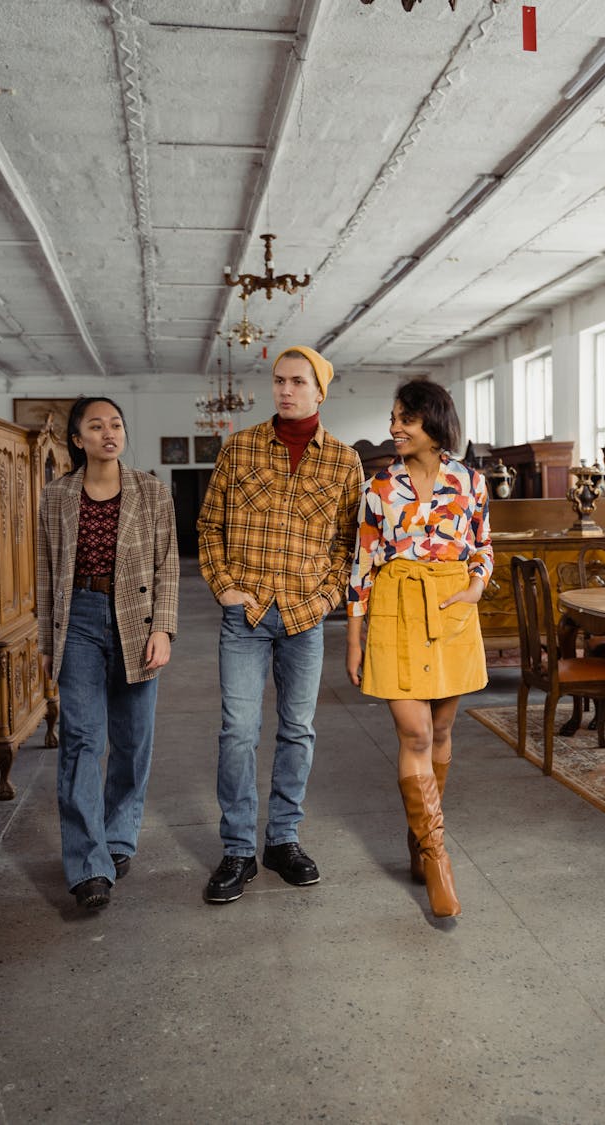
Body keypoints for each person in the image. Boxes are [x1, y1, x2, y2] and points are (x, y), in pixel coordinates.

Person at [198, 345, 364, 904]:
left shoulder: (343, 462)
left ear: (319, 391)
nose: (285, 390)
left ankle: (283, 840)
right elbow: (208, 526)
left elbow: (348, 546)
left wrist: (324, 602)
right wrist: (224, 587)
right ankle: (239, 850)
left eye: (297, 381)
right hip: (244, 616)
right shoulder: (239, 448)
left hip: (303, 618)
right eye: (278, 380)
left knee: (298, 730)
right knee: (238, 732)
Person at [346, 378, 493, 918]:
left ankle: (416, 842)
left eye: (404, 418)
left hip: (453, 607)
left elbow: (483, 545)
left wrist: (475, 586)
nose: (393, 428)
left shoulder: (471, 481)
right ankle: (436, 857)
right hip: (396, 608)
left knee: (445, 730)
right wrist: (354, 638)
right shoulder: (378, 489)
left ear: (433, 422)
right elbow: (361, 566)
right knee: (415, 731)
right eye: (392, 418)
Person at [37, 396, 179, 911]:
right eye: (95, 426)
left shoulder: (150, 490)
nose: (108, 433)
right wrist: (47, 642)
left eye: (115, 424)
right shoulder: (56, 496)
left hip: (136, 621)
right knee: (80, 740)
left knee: (133, 741)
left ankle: (117, 839)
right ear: (78, 440)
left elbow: (168, 564)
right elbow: (45, 572)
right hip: (77, 620)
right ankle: (88, 864)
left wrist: (163, 628)